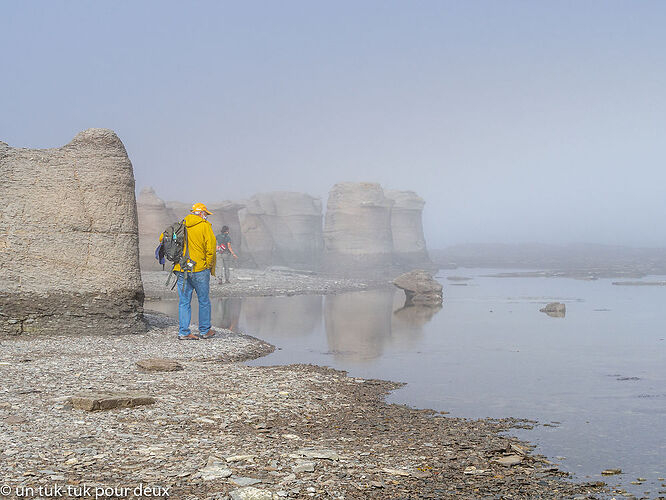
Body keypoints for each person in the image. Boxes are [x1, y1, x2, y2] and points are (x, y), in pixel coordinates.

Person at [169, 203, 218, 340]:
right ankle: (204, 331)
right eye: (206, 214)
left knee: (184, 302)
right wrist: (208, 265)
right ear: (201, 213)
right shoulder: (204, 226)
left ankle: (184, 332)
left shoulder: (181, 224)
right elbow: (211, 249)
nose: (207, 216)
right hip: (199, 269)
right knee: (203, 301)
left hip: (181, 268)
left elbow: (163, 238)